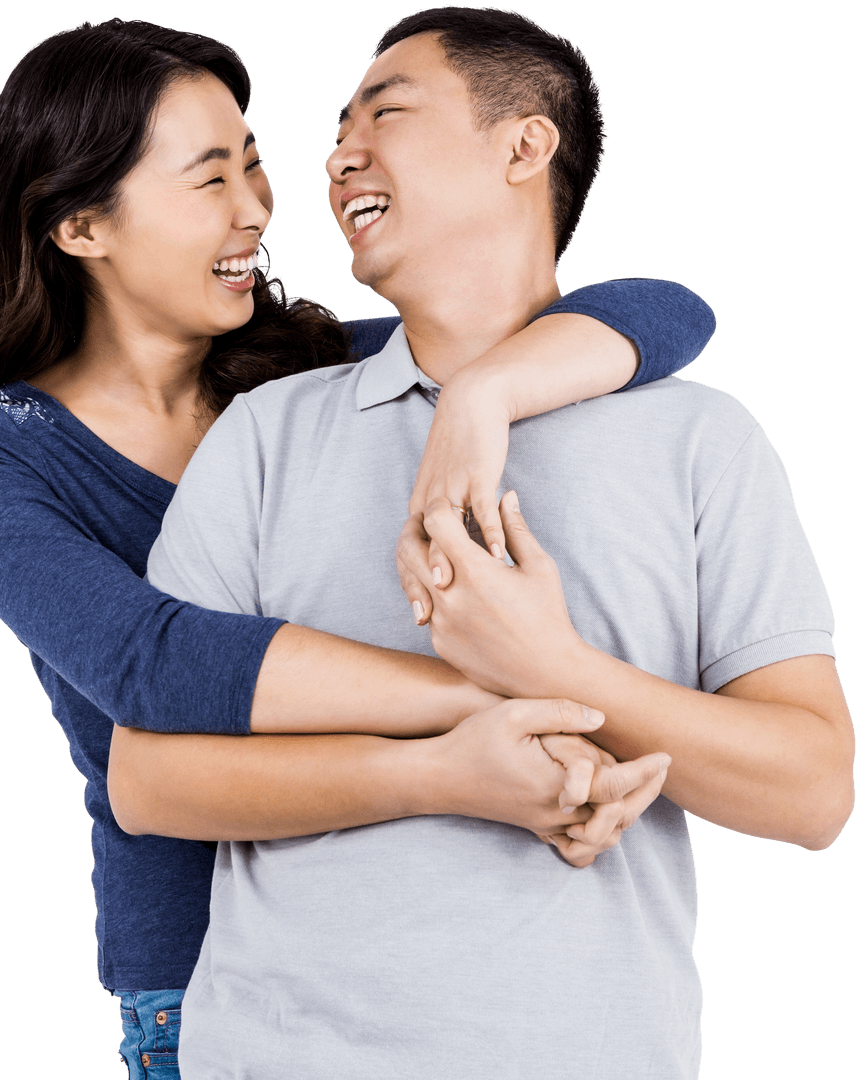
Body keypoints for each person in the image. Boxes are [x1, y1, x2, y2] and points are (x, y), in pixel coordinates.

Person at [0, 16, 716, 1080]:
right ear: (79, 226)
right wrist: (501, 698)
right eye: (210, 180)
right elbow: (149, 665)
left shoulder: (308, 373)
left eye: (254, 165)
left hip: (397, 944)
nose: (259, 209)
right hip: (199, 979)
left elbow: (665, 313)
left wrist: (486, 394)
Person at [141, 7, 854, 1078]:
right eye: (337, 130)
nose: (338, 155)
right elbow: (154, 780)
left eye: (385, 111)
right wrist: (444, 769)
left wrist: (554, 671)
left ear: (524, 145)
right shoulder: (264, 433)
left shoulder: (699, 439)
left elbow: (811, 794)